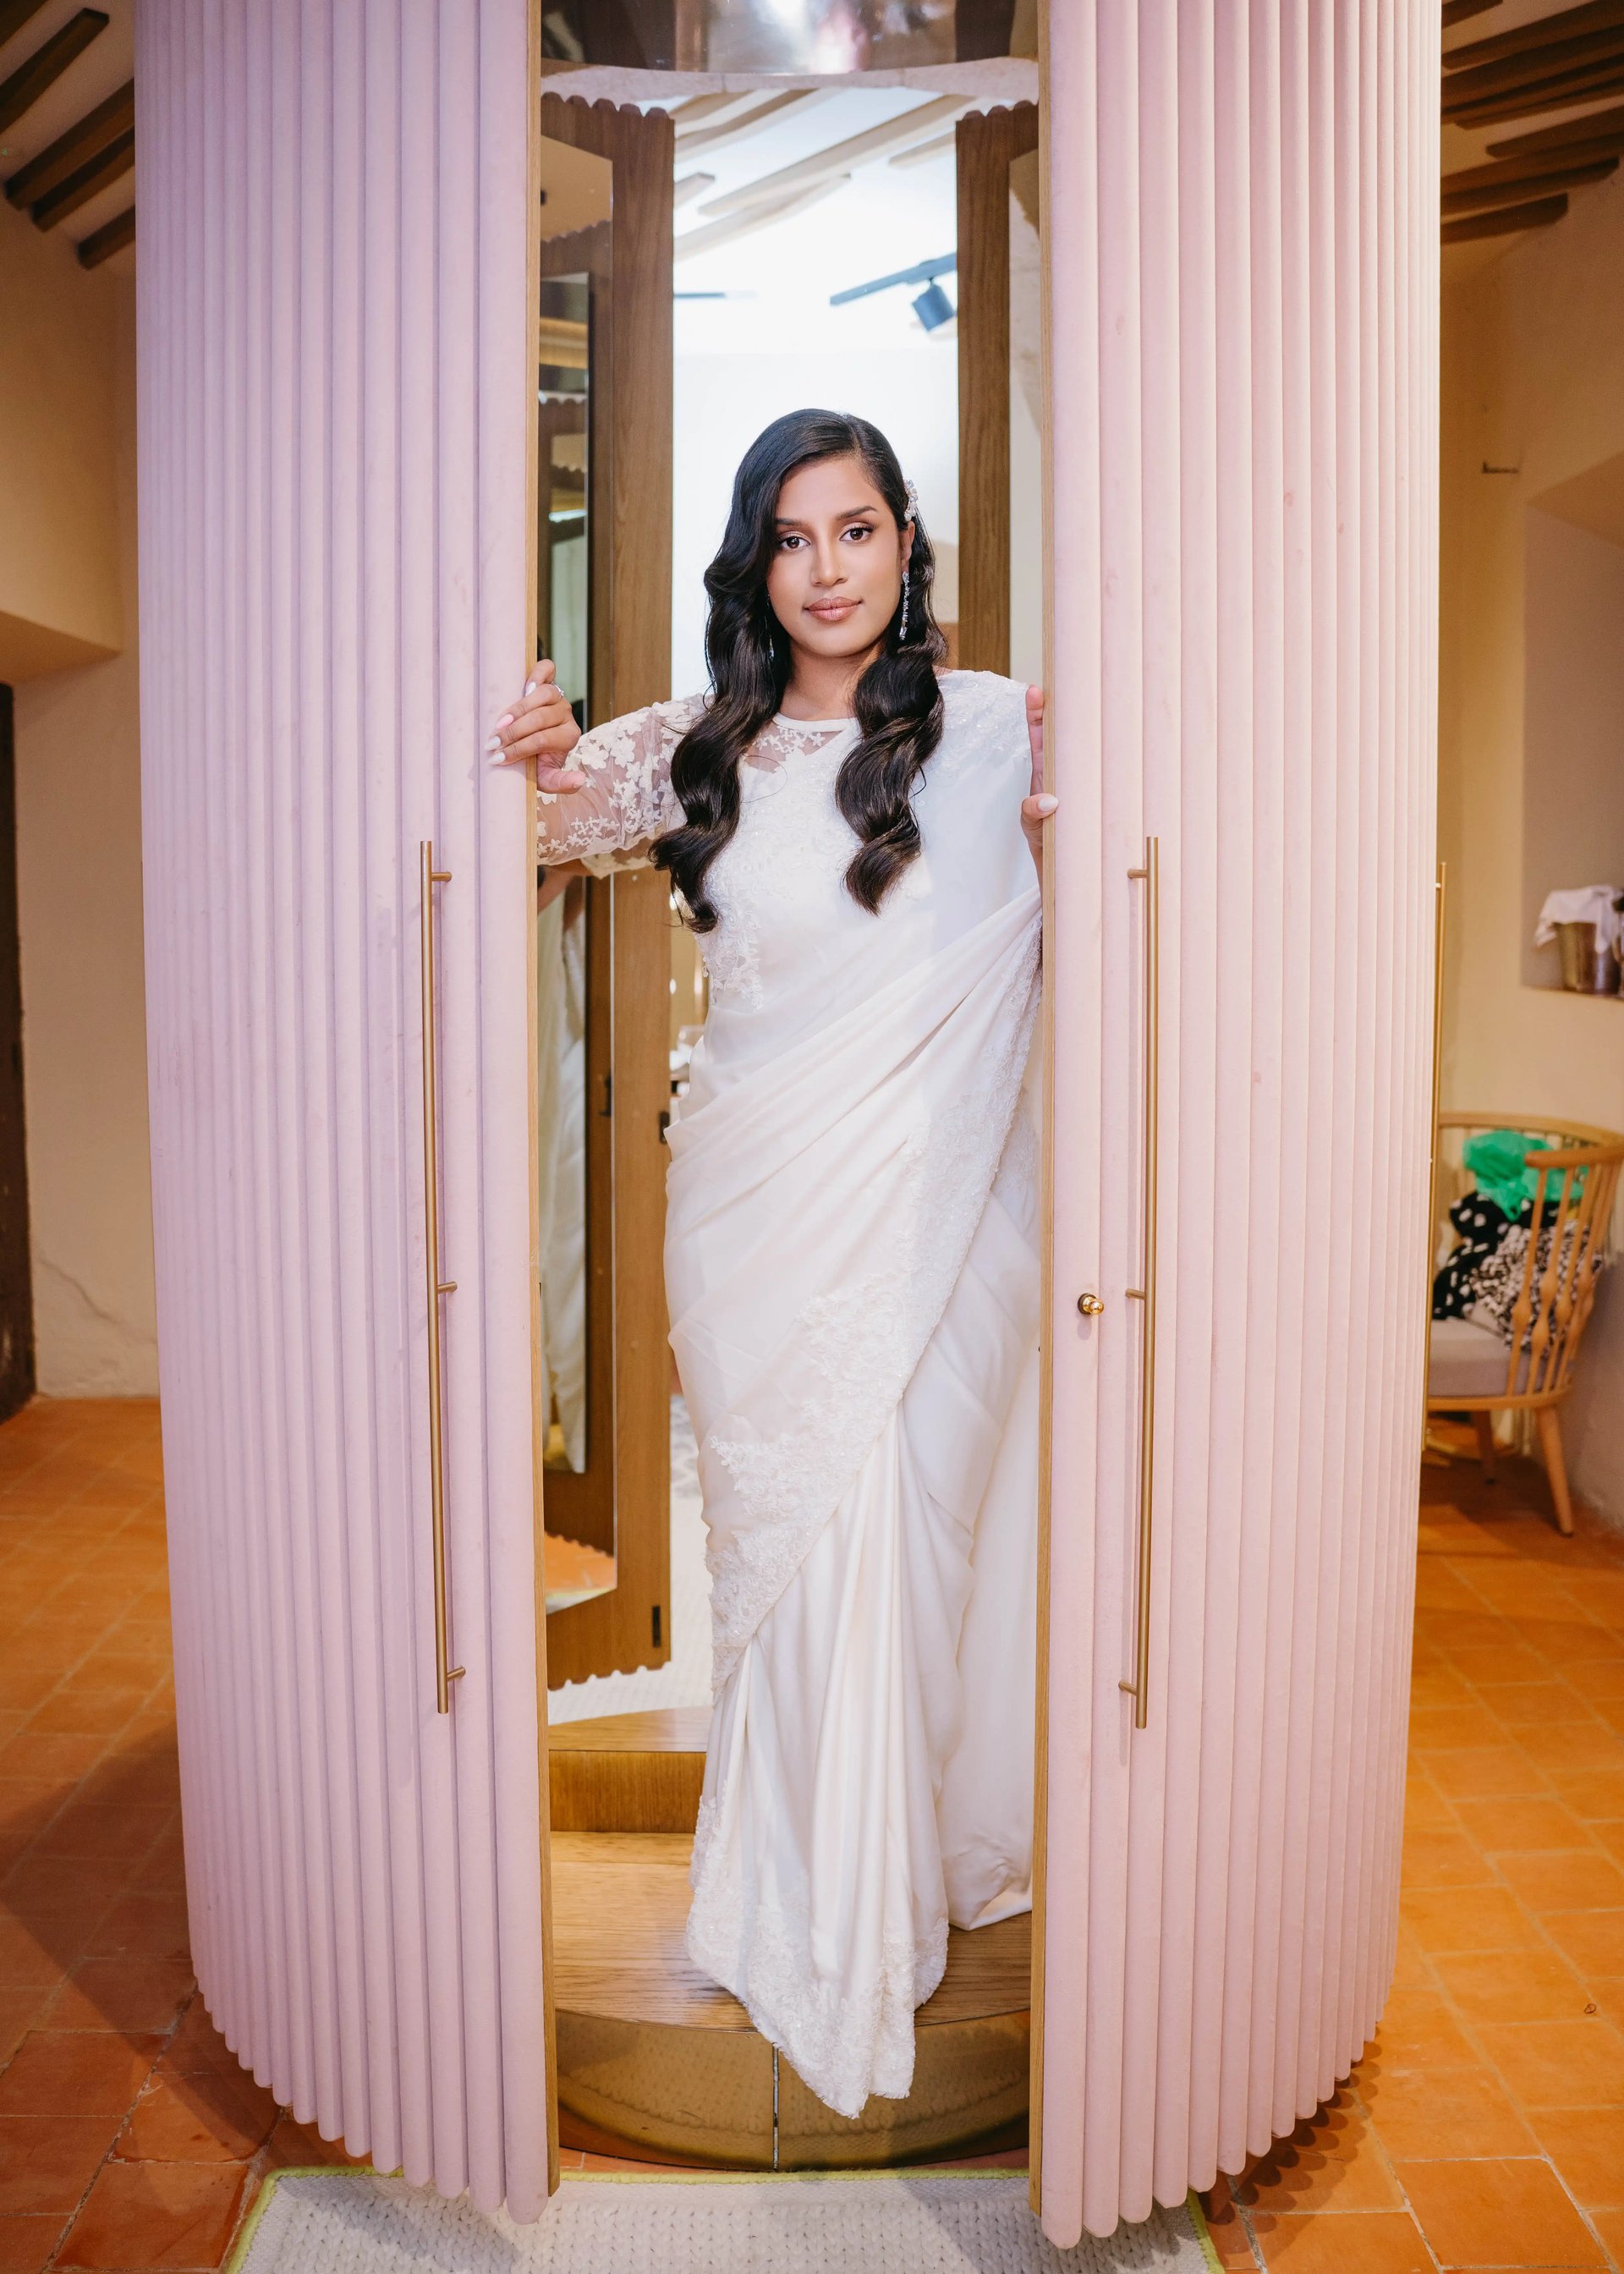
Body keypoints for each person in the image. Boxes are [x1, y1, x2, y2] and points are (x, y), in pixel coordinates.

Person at [488, 408, 1054, 2118]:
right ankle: (790, 1891)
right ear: (757, 560)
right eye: (794, 538)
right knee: (787, 1559)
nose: (828, 569)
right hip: (746, 1215)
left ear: (905, 546)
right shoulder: (698, 746)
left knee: (896, 1543)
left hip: (940, 1217)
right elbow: (509, 845)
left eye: (859, 531)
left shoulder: (989, 727)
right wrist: (519, 751)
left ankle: (876, 1902)